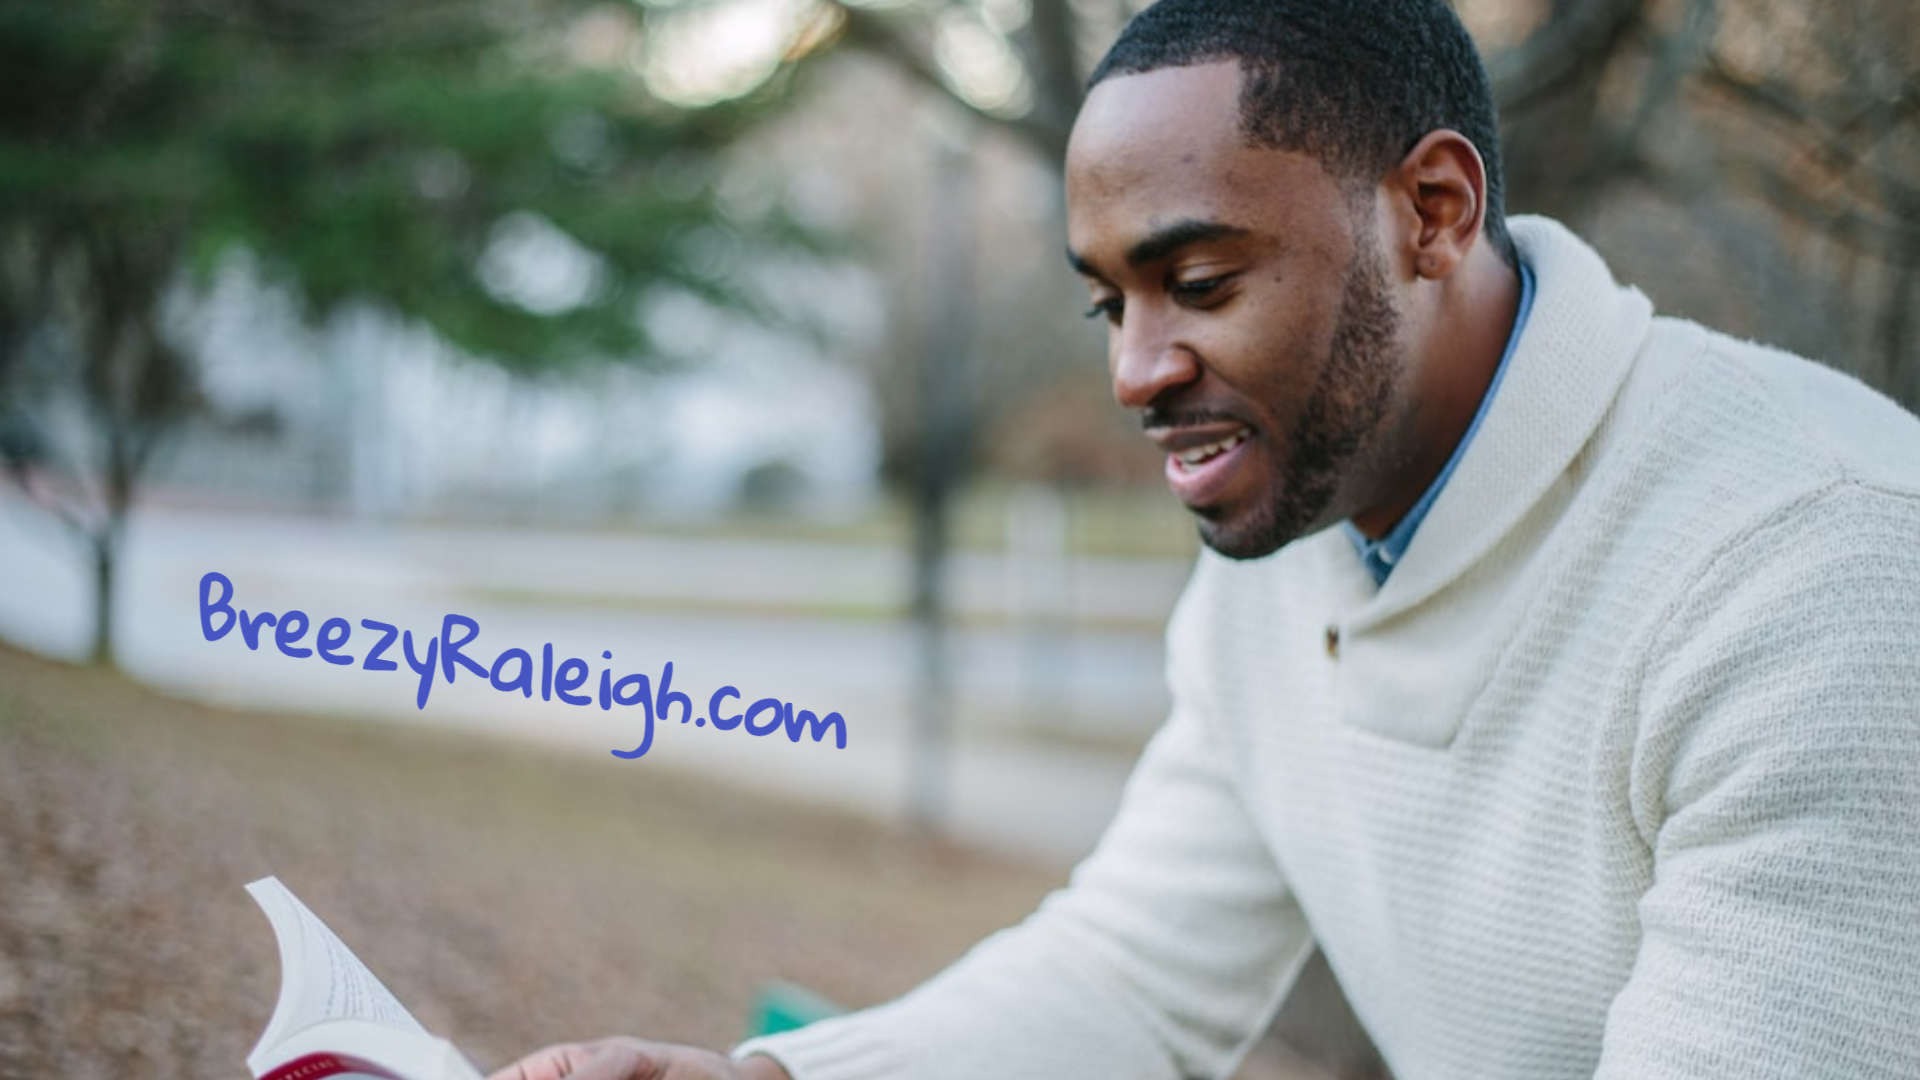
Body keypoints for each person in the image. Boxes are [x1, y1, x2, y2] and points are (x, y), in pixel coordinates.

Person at [492, 1, 1920, 1077]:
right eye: (1110, 302)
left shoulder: (1818, 574)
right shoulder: (1296, 529)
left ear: (1432, 211)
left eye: (1200, 280)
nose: (1136, 371)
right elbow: (1141, 977)